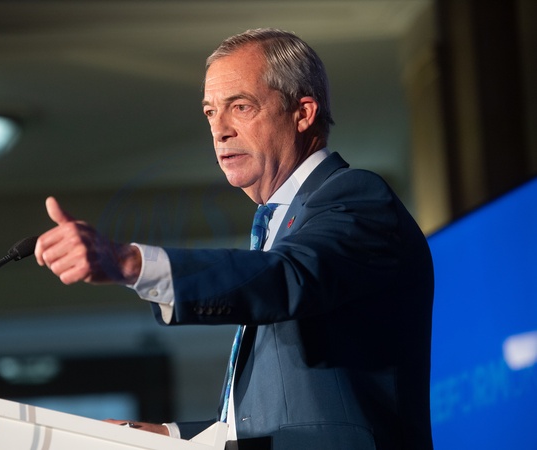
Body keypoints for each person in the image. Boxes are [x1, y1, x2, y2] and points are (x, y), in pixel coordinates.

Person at [34, 28, 434, 450]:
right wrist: (167, 435)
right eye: (210, 112)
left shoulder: (356, 196)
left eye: (240, 106)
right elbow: (272, 422)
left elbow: (288, 277)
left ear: (303, 113)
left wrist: (130, 262)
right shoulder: (277, 227)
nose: (219, 130)